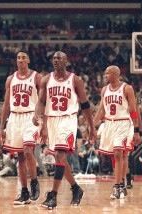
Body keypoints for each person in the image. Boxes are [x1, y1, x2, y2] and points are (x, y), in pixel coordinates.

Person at [33, 51, 96, 209]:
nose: (56, 60)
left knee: (60, 155)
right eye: (54, 58)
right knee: (59, 159)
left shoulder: (75, 80)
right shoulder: (46, 79)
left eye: (59, 57)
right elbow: (41, 101)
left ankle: (52, 196)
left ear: (66, 60)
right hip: (52, 120)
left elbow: (85, 105)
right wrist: (37, 115)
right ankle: (76, 188)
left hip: (68, 119)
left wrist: (91, 127)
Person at [0, 51, 41, 205]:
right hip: (14, 117)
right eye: (18, 58)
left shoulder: (36, 77)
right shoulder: (10, 79)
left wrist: (41, 116)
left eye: (24, 57)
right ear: (16, 61)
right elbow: (6, 104)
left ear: (28, 60)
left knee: (28, 150)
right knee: (20, 157)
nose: (21, 60)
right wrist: (1, 127)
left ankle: (34, 181)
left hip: (31, 116)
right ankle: (24, 192)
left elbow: (43, 99)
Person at [94, 65, 141, 200]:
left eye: (107, 74)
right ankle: (122, 183)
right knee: (118, 156)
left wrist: (136, 130)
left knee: (118, 153)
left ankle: (117, 186)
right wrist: (92, 126)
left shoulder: (127, 88)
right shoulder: (104, 90)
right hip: (109, 124)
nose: (105, 76)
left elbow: (133, 110)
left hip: (123, 123)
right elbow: (101, 110)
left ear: (115, 74)